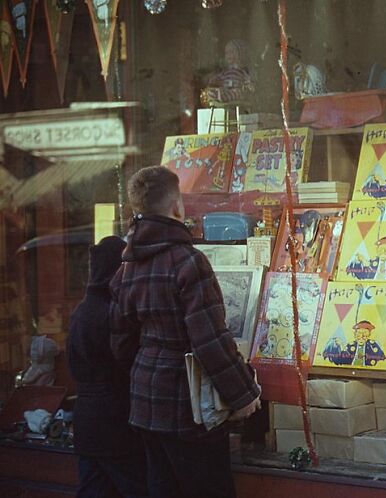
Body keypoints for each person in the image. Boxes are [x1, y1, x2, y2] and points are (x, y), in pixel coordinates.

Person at [110, 166, 261, 498]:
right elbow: (210, 341)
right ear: (177, 206)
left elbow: (121, 342)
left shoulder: (128, 266)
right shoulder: (188, 262)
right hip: (188, 407)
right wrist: (244, 394)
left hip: (146, 403)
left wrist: (146, 373)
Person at [67, 236, 148, 498]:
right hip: (114, 422)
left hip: (87, 422)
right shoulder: (112, 312)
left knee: (93, 489)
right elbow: (126, 362)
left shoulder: (82, 311)